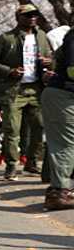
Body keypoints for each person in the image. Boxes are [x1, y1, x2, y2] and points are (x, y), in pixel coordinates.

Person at [0, 3, 54, 180]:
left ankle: (31, 163)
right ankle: (11, 166)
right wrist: (9, 71)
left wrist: (48, 62)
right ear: (19, 17)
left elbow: (52, 59)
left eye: (35, 14)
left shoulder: (42, 36)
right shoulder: (6, 38)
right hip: (13, 91)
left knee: (39, 127)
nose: (32, 17)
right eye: (28, 15)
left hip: (37, 89)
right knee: (11, 131)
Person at [41, 26, 74, 210]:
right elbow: (72, 70)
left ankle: (60, 189)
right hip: (63, 97)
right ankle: (59, 193)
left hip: (65, 96)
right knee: (66, 145)